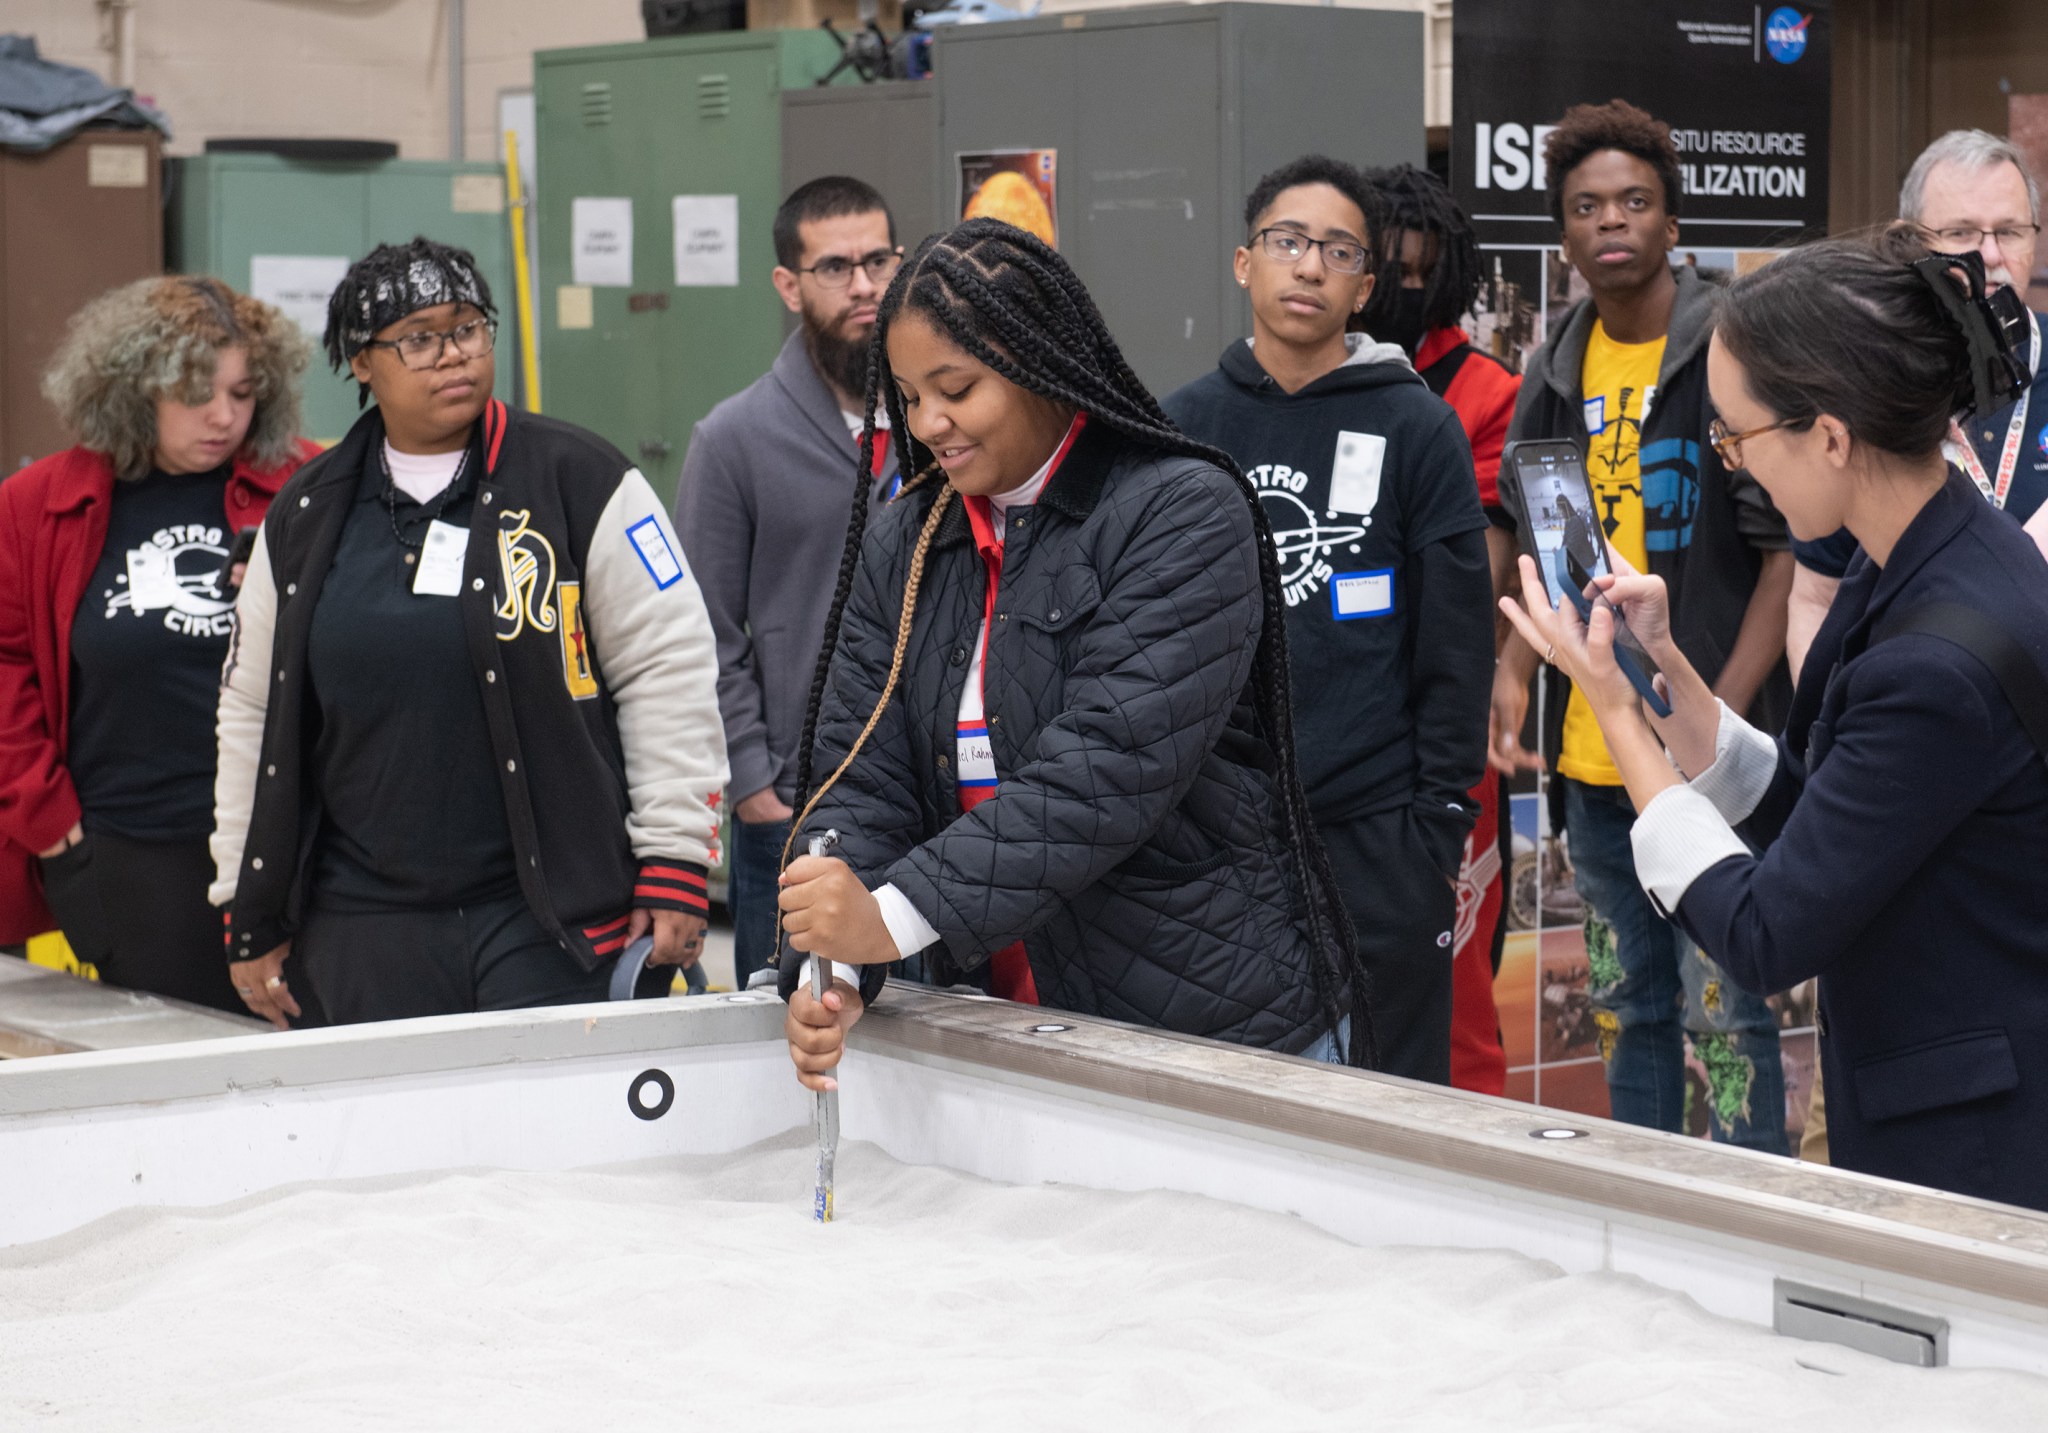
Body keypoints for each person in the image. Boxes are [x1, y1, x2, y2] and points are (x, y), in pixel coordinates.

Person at [1501, 230, 2048, 1211]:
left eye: (1734, 437)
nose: (1732, 468)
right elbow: (1823, 813)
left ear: (1828, 436)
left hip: (1978, 1140)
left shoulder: (1935, 656)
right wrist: (1663, 665)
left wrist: (1612, 707)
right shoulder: (1923, 550)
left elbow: (1765, 930)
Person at [776, 218, 1371, 1089]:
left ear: (1038, 364)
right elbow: (858, 770)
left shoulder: (1182, 511)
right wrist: (836, 967)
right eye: (907, 396)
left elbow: (1104, 771)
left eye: (956, 387)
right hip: (994, 1025)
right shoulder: (908, 535)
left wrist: (893, 917)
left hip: (1207, 1025)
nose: (929, 422)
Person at [212, 238, 728, 1029]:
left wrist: (676, 859)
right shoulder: (306, 515)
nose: (451, 355)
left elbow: (667, 669)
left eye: (467, 329)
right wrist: (244, 900)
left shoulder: (583, 480)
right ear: (360, 362)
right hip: (359, 925)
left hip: (546, 920)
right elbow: (252, 711)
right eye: (417, 338)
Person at [1494, 101, 1794, 1153]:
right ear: (1563, 233)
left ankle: (1749, 1220)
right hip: (1592, 758)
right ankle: (1642, 1218)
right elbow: (1533, 535)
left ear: (1671, 220)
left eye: (1632, 201)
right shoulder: (1551, 369)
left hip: (1704, 753)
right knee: (1628, 1004)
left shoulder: (1730, 346)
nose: (1609, 221)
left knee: (1726, 1007)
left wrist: (1710, 717)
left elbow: (1779, 557)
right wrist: (1511, 667)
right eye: (1584, 207)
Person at [1163, 156, 1493, 1086]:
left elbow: (1456, 648)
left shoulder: (1415, 427)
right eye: (1288, 242)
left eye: (1338, 251)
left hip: (1379, 841)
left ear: (1364, 288)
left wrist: (1436, 829)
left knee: (1389, 1109)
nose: (1309, 266)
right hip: (1217, 844)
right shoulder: (1181, 425)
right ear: (1243, 263)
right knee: (1238, 1105)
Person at [0, 276, 316, 1012]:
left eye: (243, 394)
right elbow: (7, 665)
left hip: (287, 850)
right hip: (126, 853)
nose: (224, 416)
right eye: (197, 393)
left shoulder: (302, 486)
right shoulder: (38, 504)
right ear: (134, 388)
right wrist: (51, 828)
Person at [676, 177, 901, 993]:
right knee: (790, 1024)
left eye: (878, 259)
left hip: (924, 793)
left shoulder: (939, 421)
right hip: (793, 804)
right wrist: (753, 782)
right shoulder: (734, 439)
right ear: (789, 284)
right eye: (836, 267)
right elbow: (703, 629)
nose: (865, 285)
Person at [1354, 161, 1520, 1095]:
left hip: (1441, 723)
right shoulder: (1307, 378)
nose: (1404, 288)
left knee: (1452, 974)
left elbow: (1482, 580)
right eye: (1389, 268)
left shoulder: (1485, 391)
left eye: (1423, 271)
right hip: (1330, 729)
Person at [1787, 130, 2048, 675]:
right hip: (1913, 720)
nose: (1992, 255)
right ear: (1911, 243)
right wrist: (1827, 737)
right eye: (1960, 232)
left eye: (2010, 231)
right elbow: (1816, 598)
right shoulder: (1862, 384)